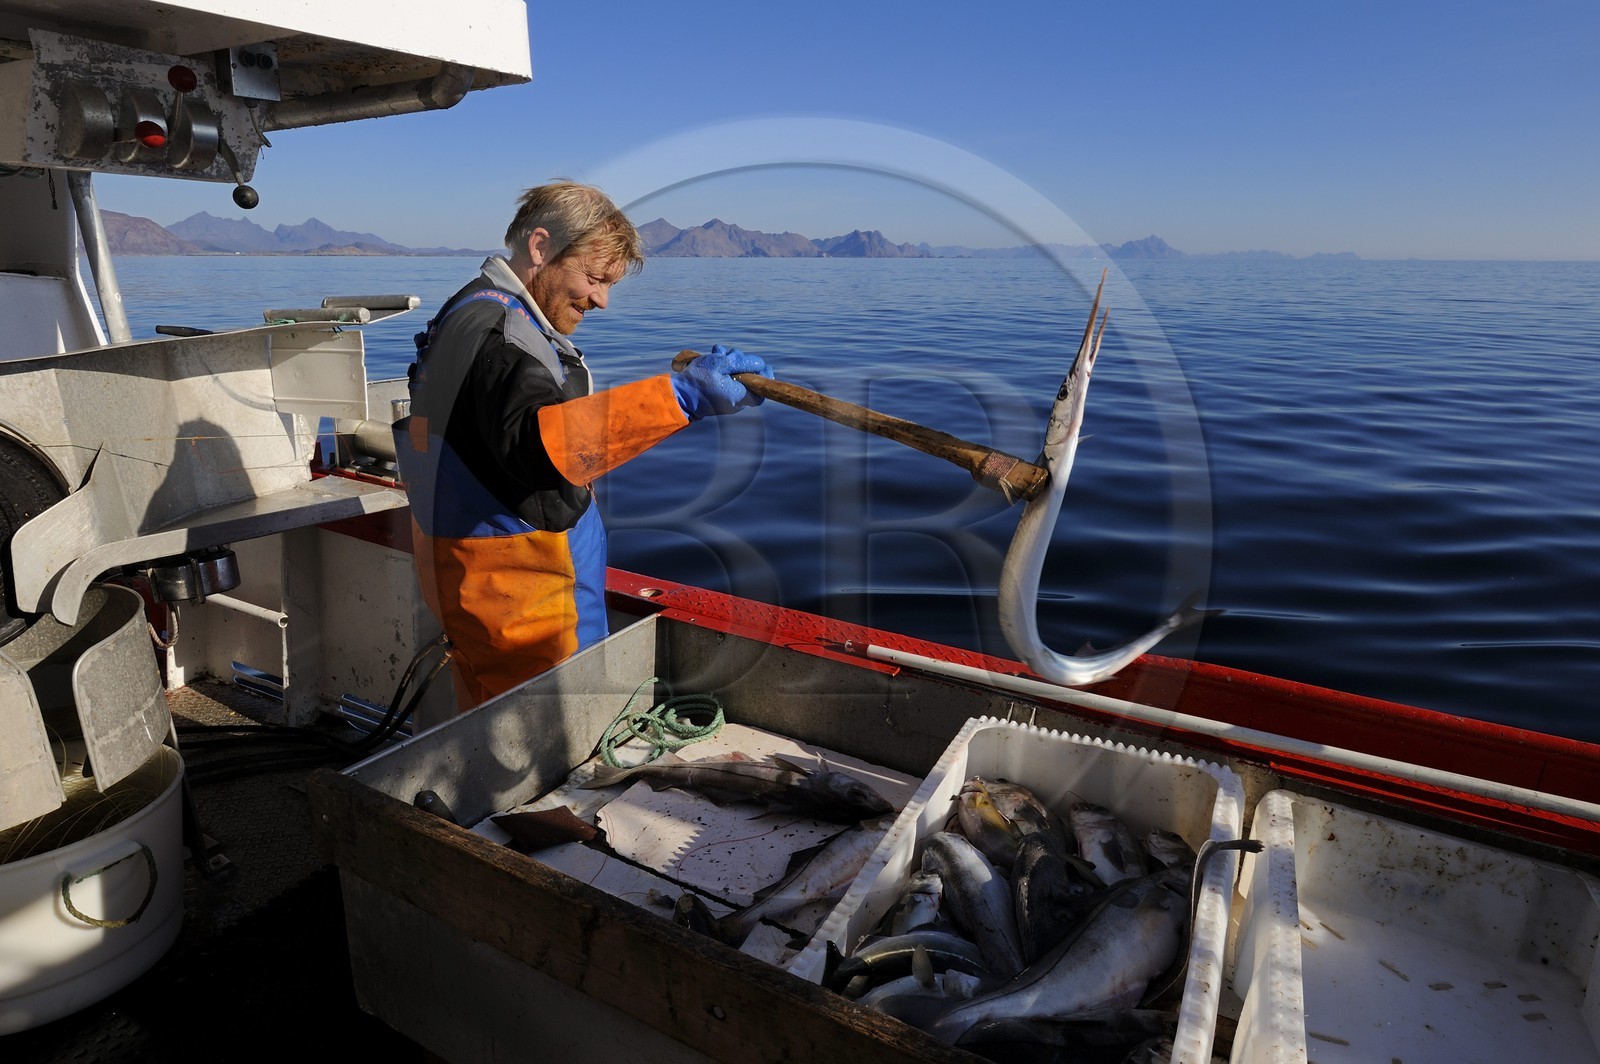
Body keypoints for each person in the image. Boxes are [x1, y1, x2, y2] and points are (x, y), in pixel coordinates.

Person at [395, 180, 772, 710]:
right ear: (541, 247)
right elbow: (539, 446)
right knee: (545, 737)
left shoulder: (477, 310)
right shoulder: (501, 337)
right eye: (594, 278)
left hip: (488, 573)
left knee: (490, 720)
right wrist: (680, 399)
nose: (601, 300)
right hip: (525, 597)